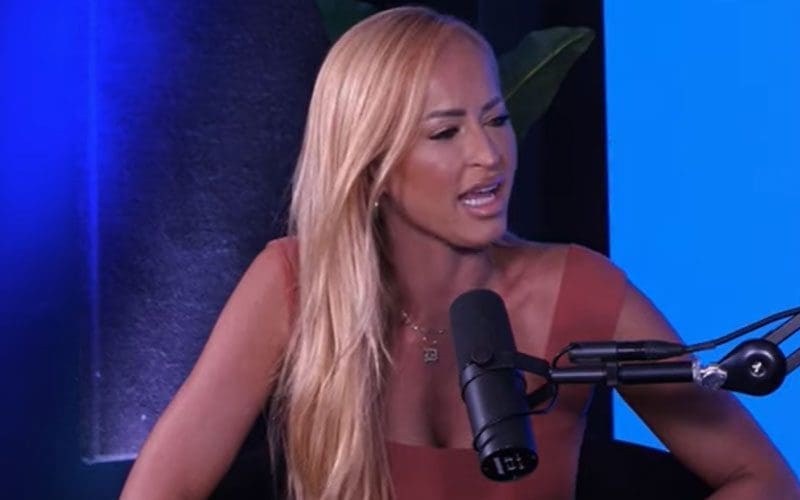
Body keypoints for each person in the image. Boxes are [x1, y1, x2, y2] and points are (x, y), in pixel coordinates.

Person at [120, 6, 799, 500]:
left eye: (496, 119)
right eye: (446, 133)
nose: (489, 154)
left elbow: (762, 479)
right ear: (373, 164)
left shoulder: (581, 290)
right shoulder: (292, 284)